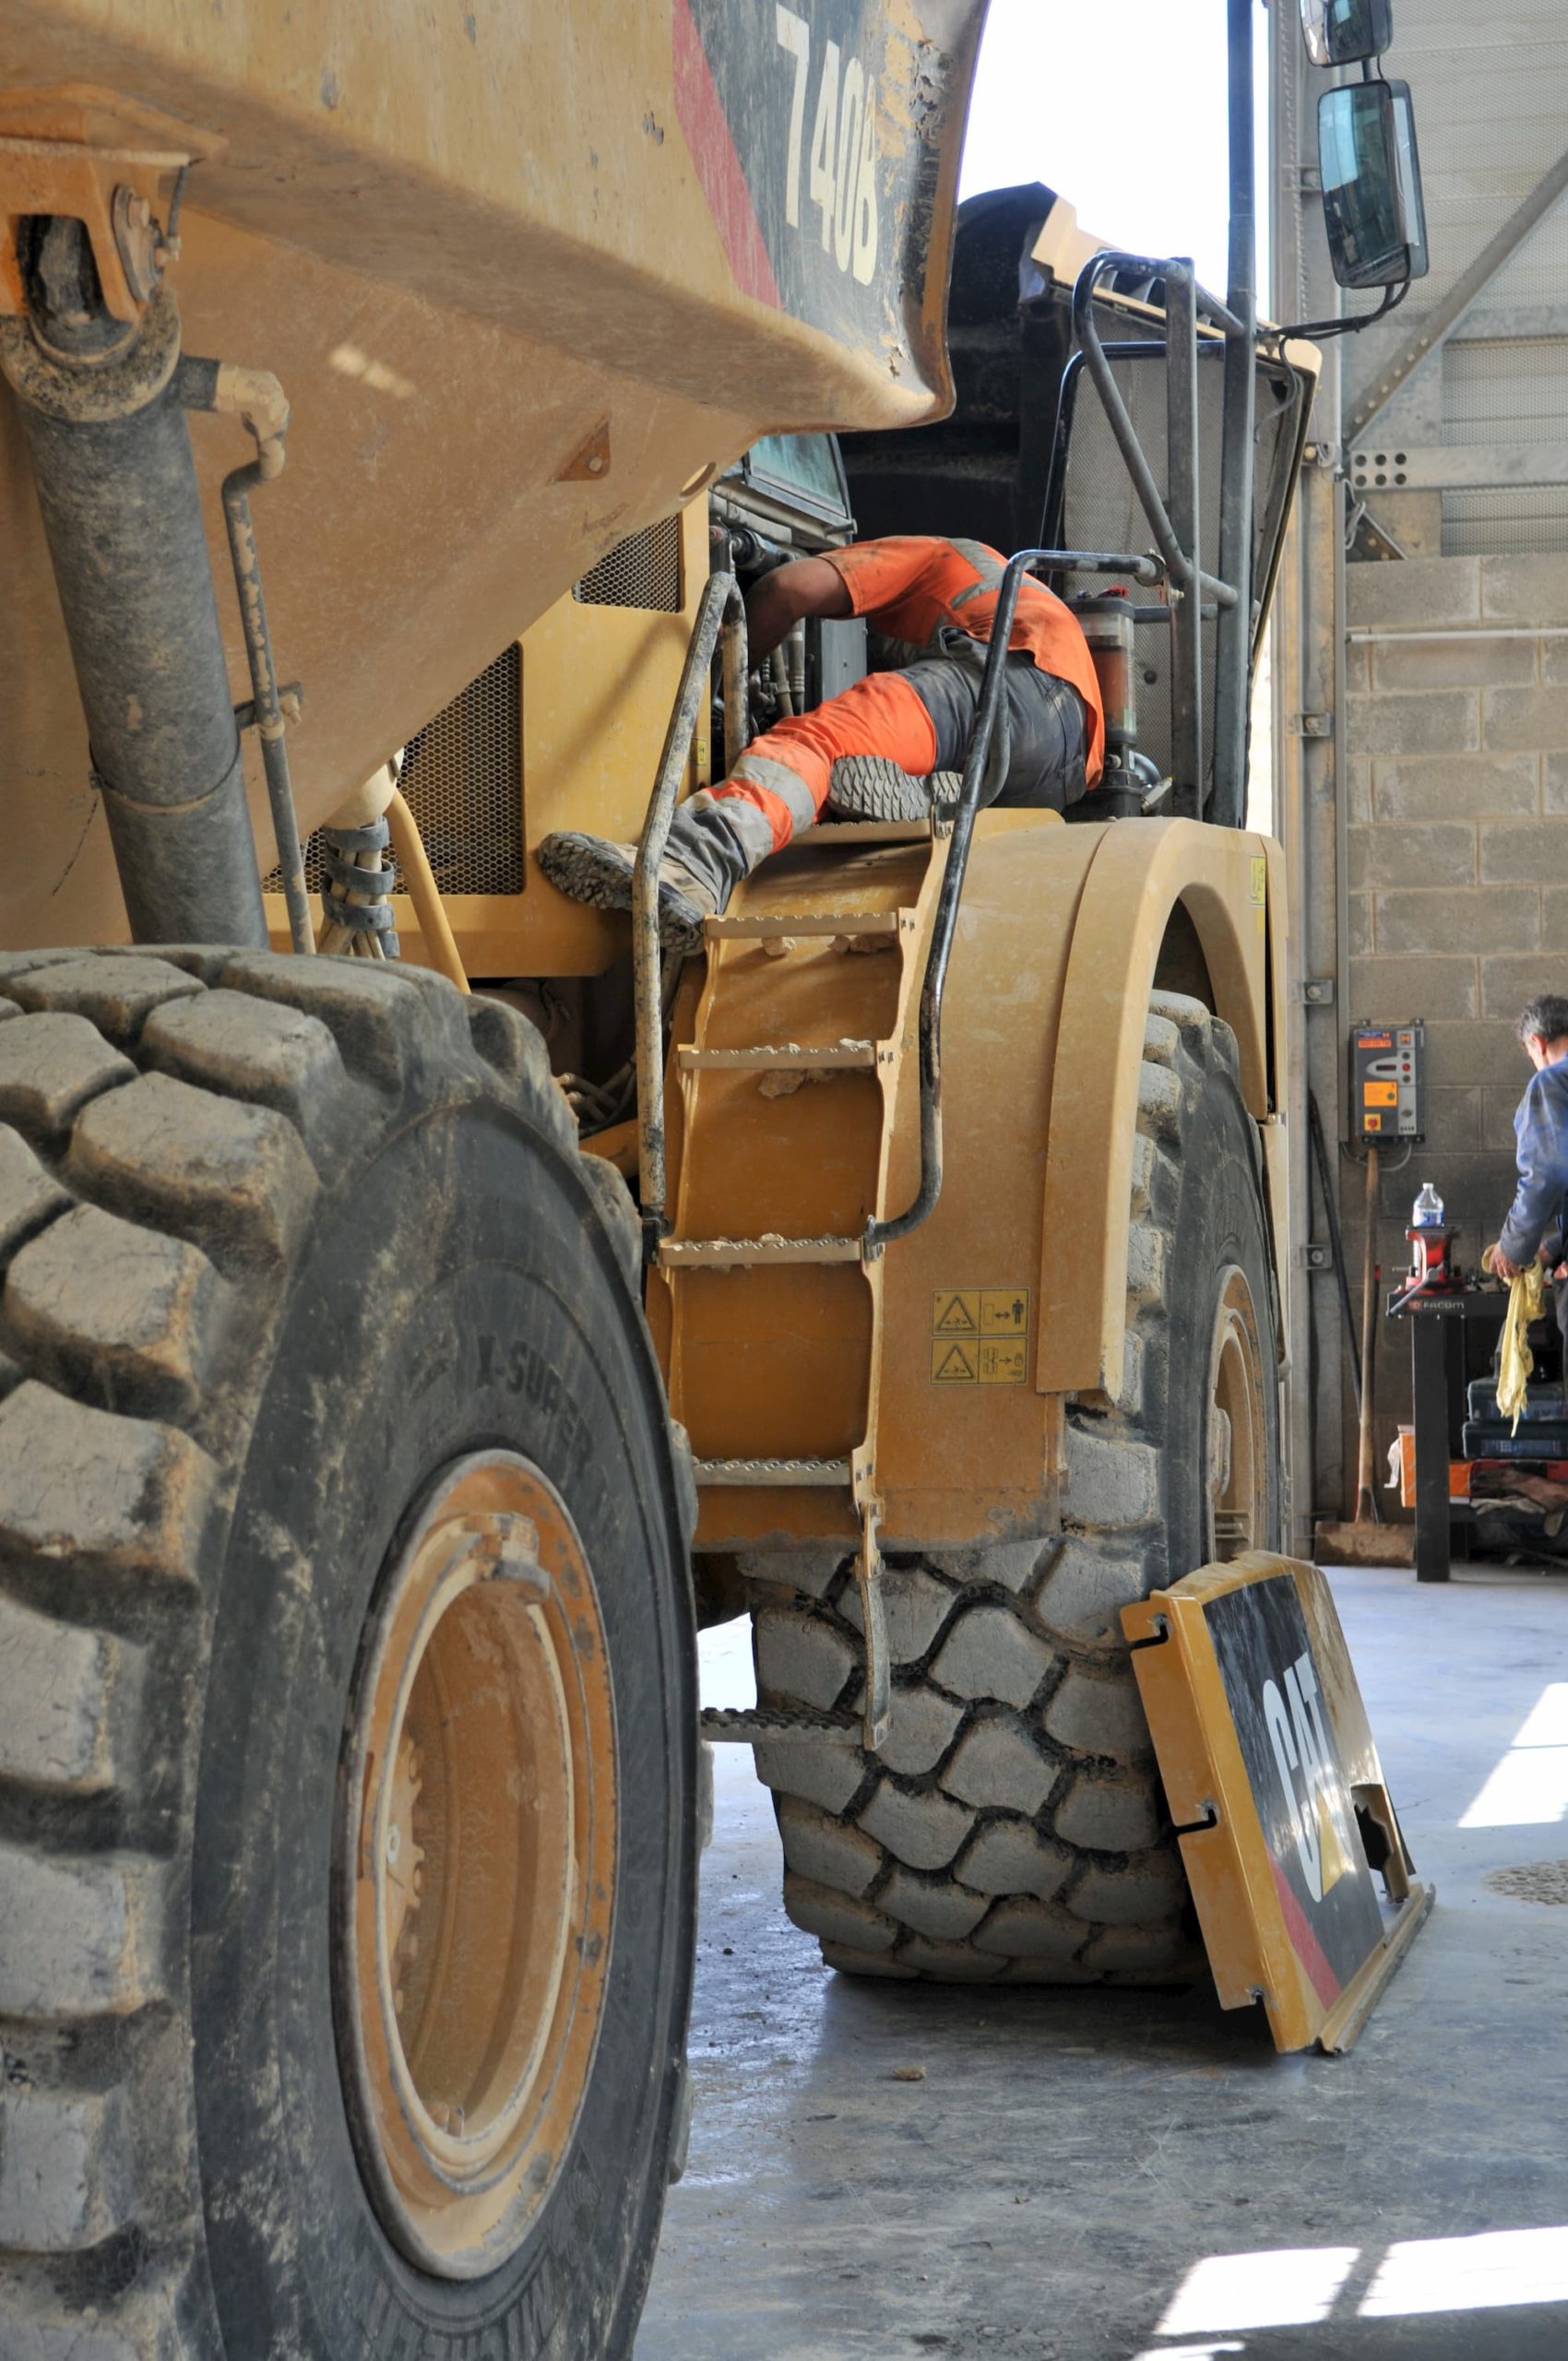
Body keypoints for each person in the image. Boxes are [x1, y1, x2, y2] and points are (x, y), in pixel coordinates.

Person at [539, 534, 1105, 952]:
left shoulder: (933, 553)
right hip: (1067, 763)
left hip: (1009, 680)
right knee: (864, 773)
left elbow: (789, 589)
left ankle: (693, 863)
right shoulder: (1013, 582)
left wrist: (715, 689)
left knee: (818, 744)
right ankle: (930, 793)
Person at [1484, 993, 1568, 1359]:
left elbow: (1546, 1174)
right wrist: (1551, 1247)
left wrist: (1512, 1247)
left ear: (1538, 1042)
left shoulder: (1551, 1082)